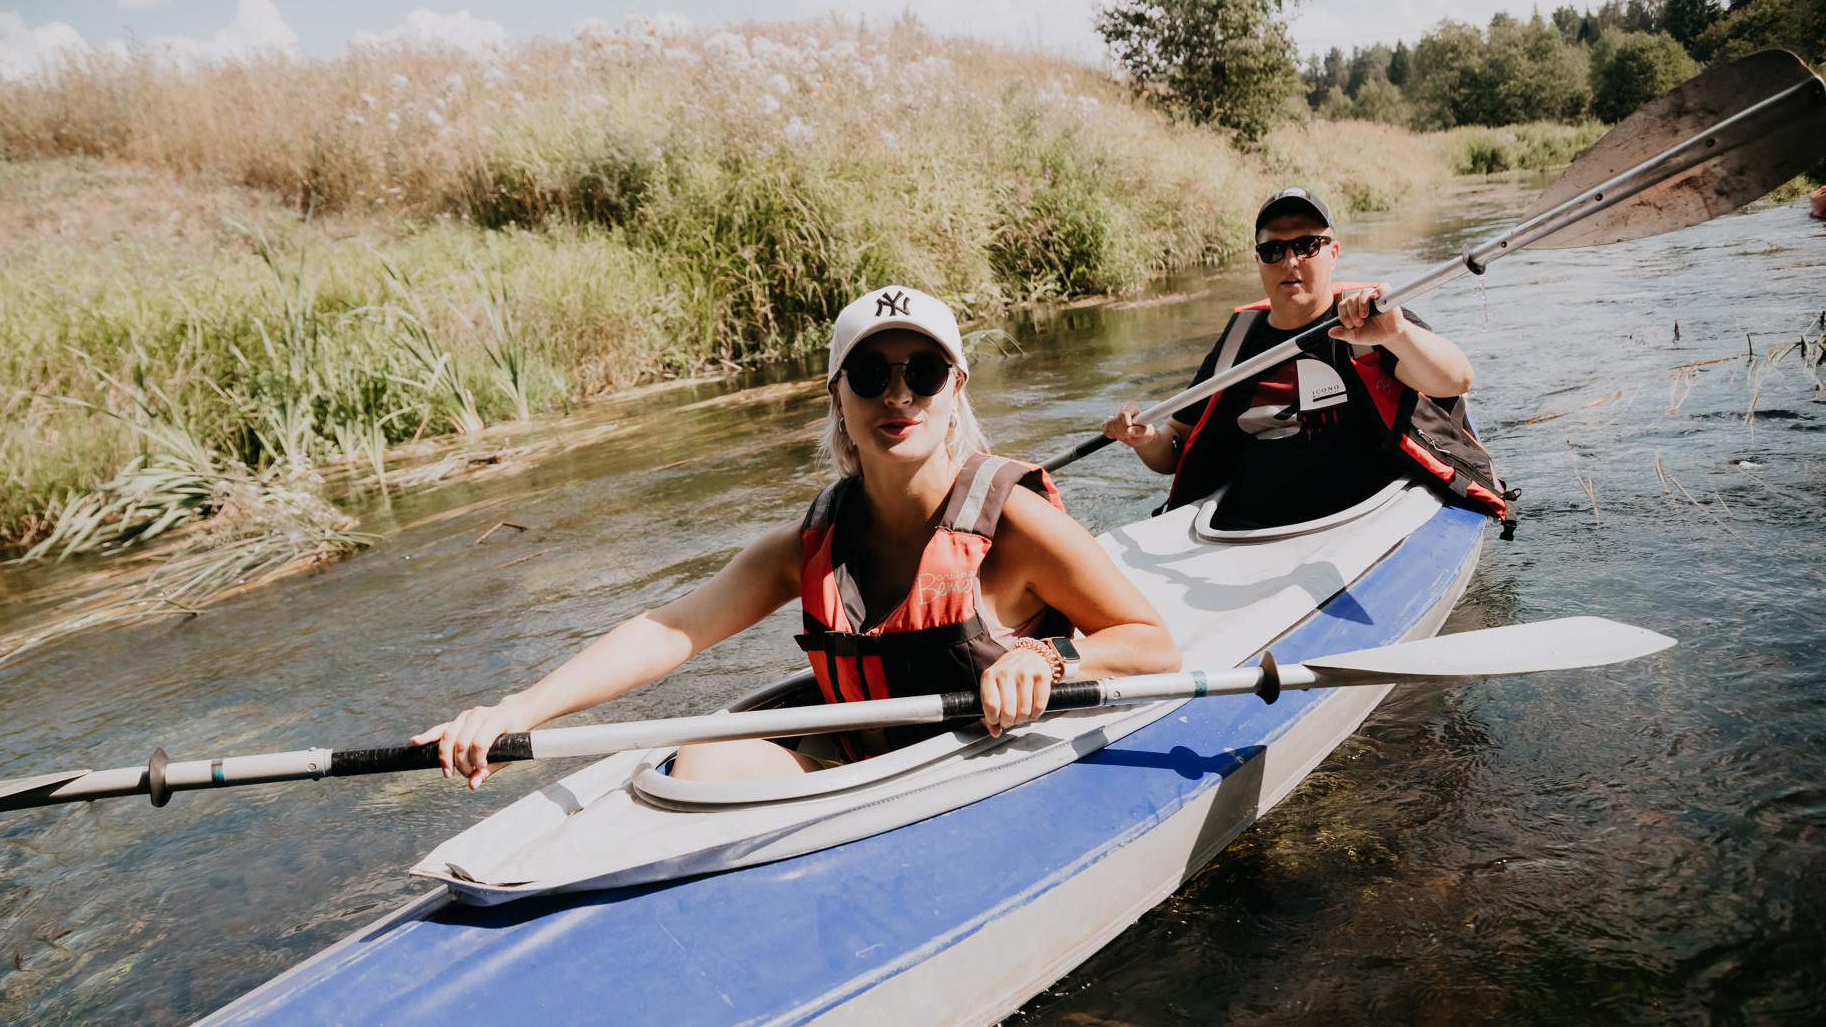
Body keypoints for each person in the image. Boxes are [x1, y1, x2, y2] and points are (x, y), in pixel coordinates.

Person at [418, 285, 1183, 786]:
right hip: (858, 779)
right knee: (702, 764)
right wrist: (518, 709)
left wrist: (1046, 656)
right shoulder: (802, 547)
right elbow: (664, 630)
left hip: (986, 768)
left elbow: (1151, 641)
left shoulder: (1017, 524)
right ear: (837, 398)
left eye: (922, 372)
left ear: (956, 392)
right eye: (869, 375)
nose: (897, 395)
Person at [1103, 187, 1508, 531]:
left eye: (1306, 245)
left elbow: (1457, 379)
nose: (1290, 261)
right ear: (1258, 259)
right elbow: (1174, 449)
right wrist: (1144, 438)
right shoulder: (1239, 339)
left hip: (1364, 525)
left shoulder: (1373, 317)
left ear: (1333, 253)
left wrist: (1397, 335)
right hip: (1248, 535)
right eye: (1273, 249)